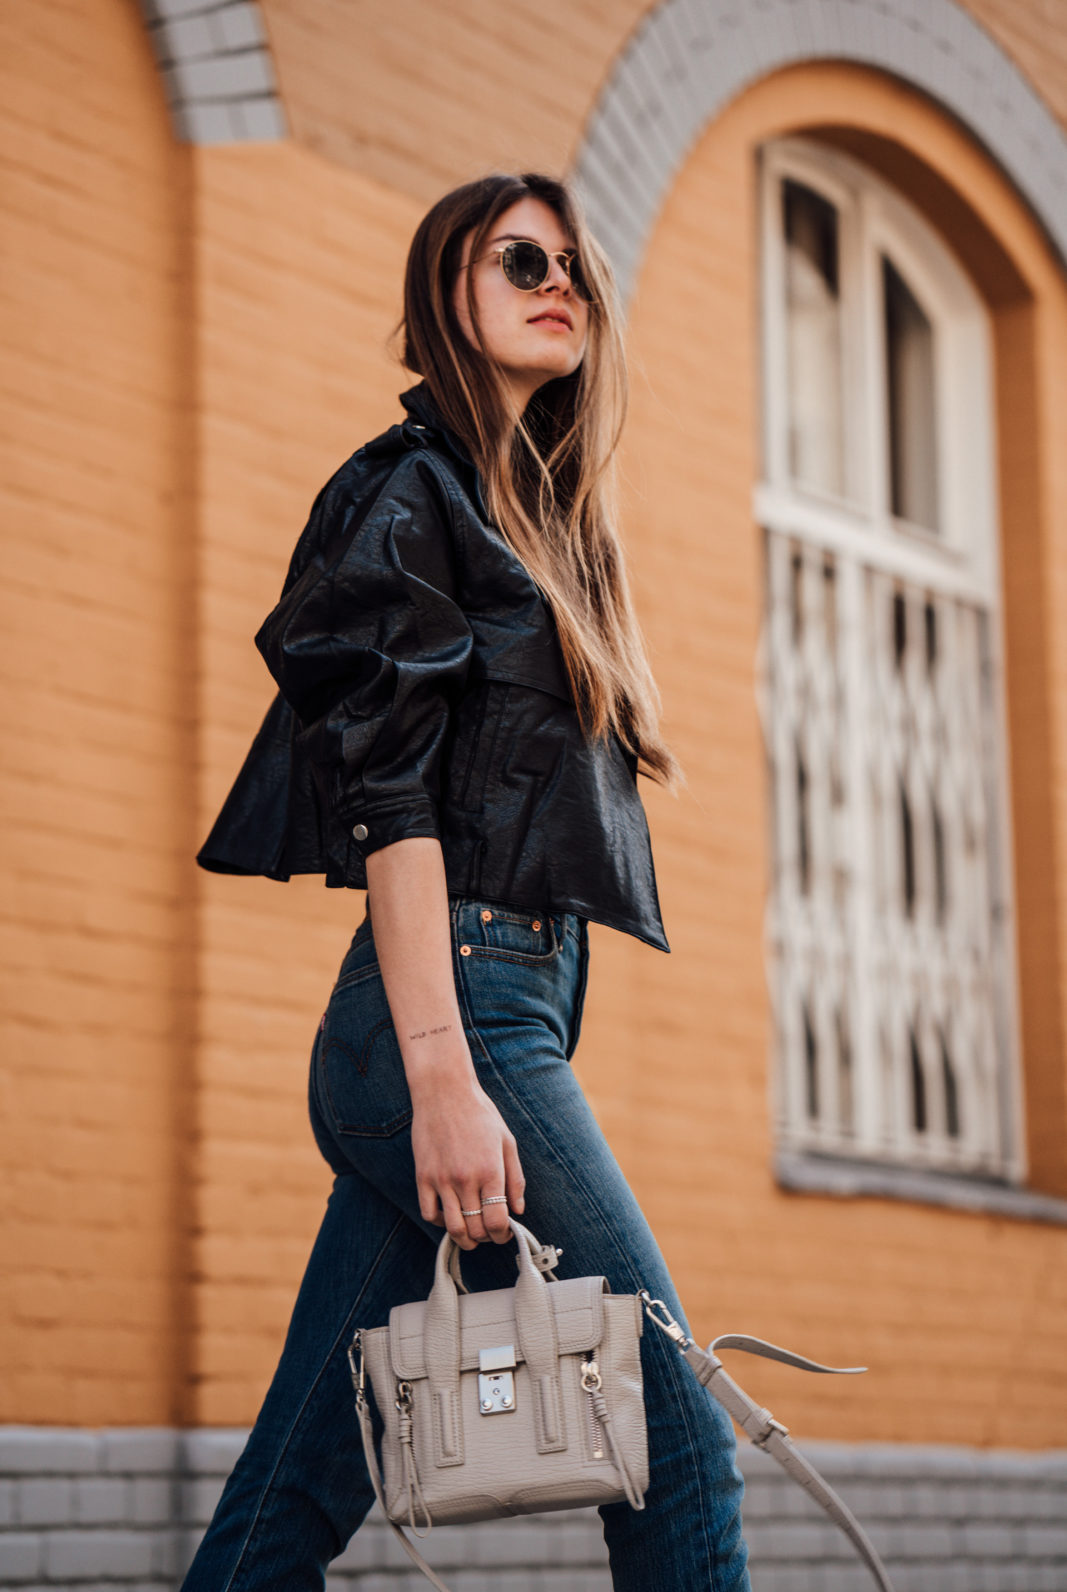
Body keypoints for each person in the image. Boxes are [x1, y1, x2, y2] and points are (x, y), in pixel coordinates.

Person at [184, 171, 751, 1591]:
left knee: (293, 1495)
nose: (558, 279)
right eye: (518, 259)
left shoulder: (545, 531)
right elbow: (393, 809)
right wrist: (444, 1072)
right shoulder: (407, 498)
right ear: (450, 293)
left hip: (513, 1007)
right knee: (672, 1430)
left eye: (572, 263)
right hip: (452, 1018)